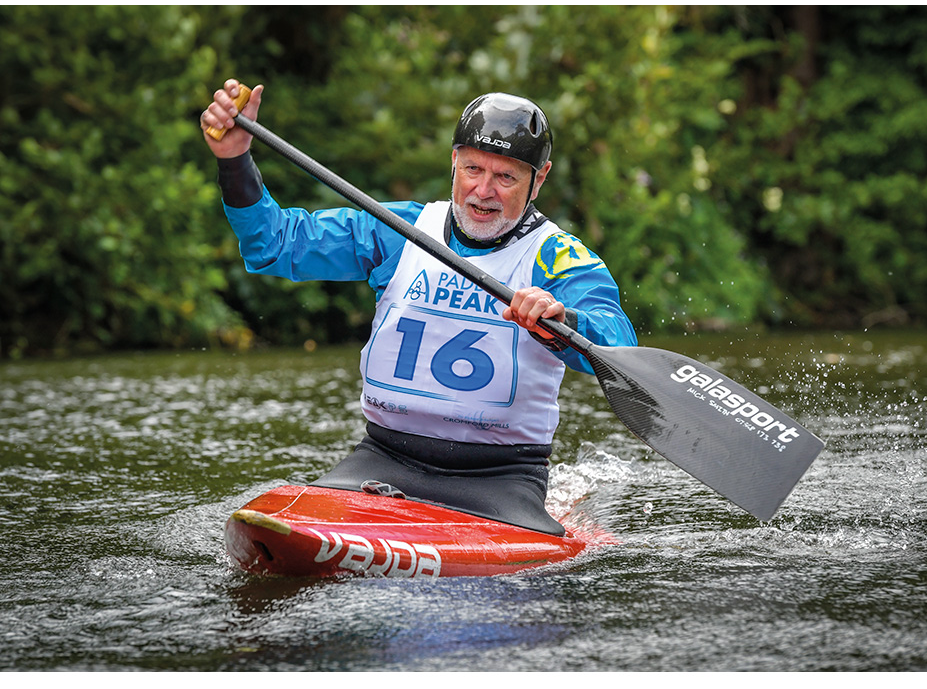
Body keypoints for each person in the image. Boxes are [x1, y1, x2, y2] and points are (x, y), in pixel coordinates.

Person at [201, 79, 637, 535]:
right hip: (382, 458)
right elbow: (275, 243)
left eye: (505, 177)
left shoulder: (559, 258)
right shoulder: (400, 229)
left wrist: (563, 320)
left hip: (499, 479)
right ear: (453, 162)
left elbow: (618, 344)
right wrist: (234, 159)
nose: (483, 190)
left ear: (538, 179)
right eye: (473, 169)